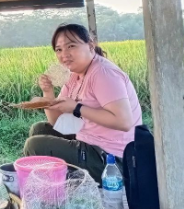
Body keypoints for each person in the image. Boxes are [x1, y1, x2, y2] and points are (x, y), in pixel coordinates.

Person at [23, 24, 142, 183]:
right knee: (39, 129)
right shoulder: (74, 75)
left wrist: (77, 108)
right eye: (58, 50)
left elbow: (124, 122)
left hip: (113, 160)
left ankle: (53, 188)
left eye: (71, 46)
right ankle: (59, 183)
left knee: (35, 145)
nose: (64, 54)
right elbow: (57, 122)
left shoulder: (103, 73)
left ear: (90, 45)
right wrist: (48, 93)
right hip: (89, 140)